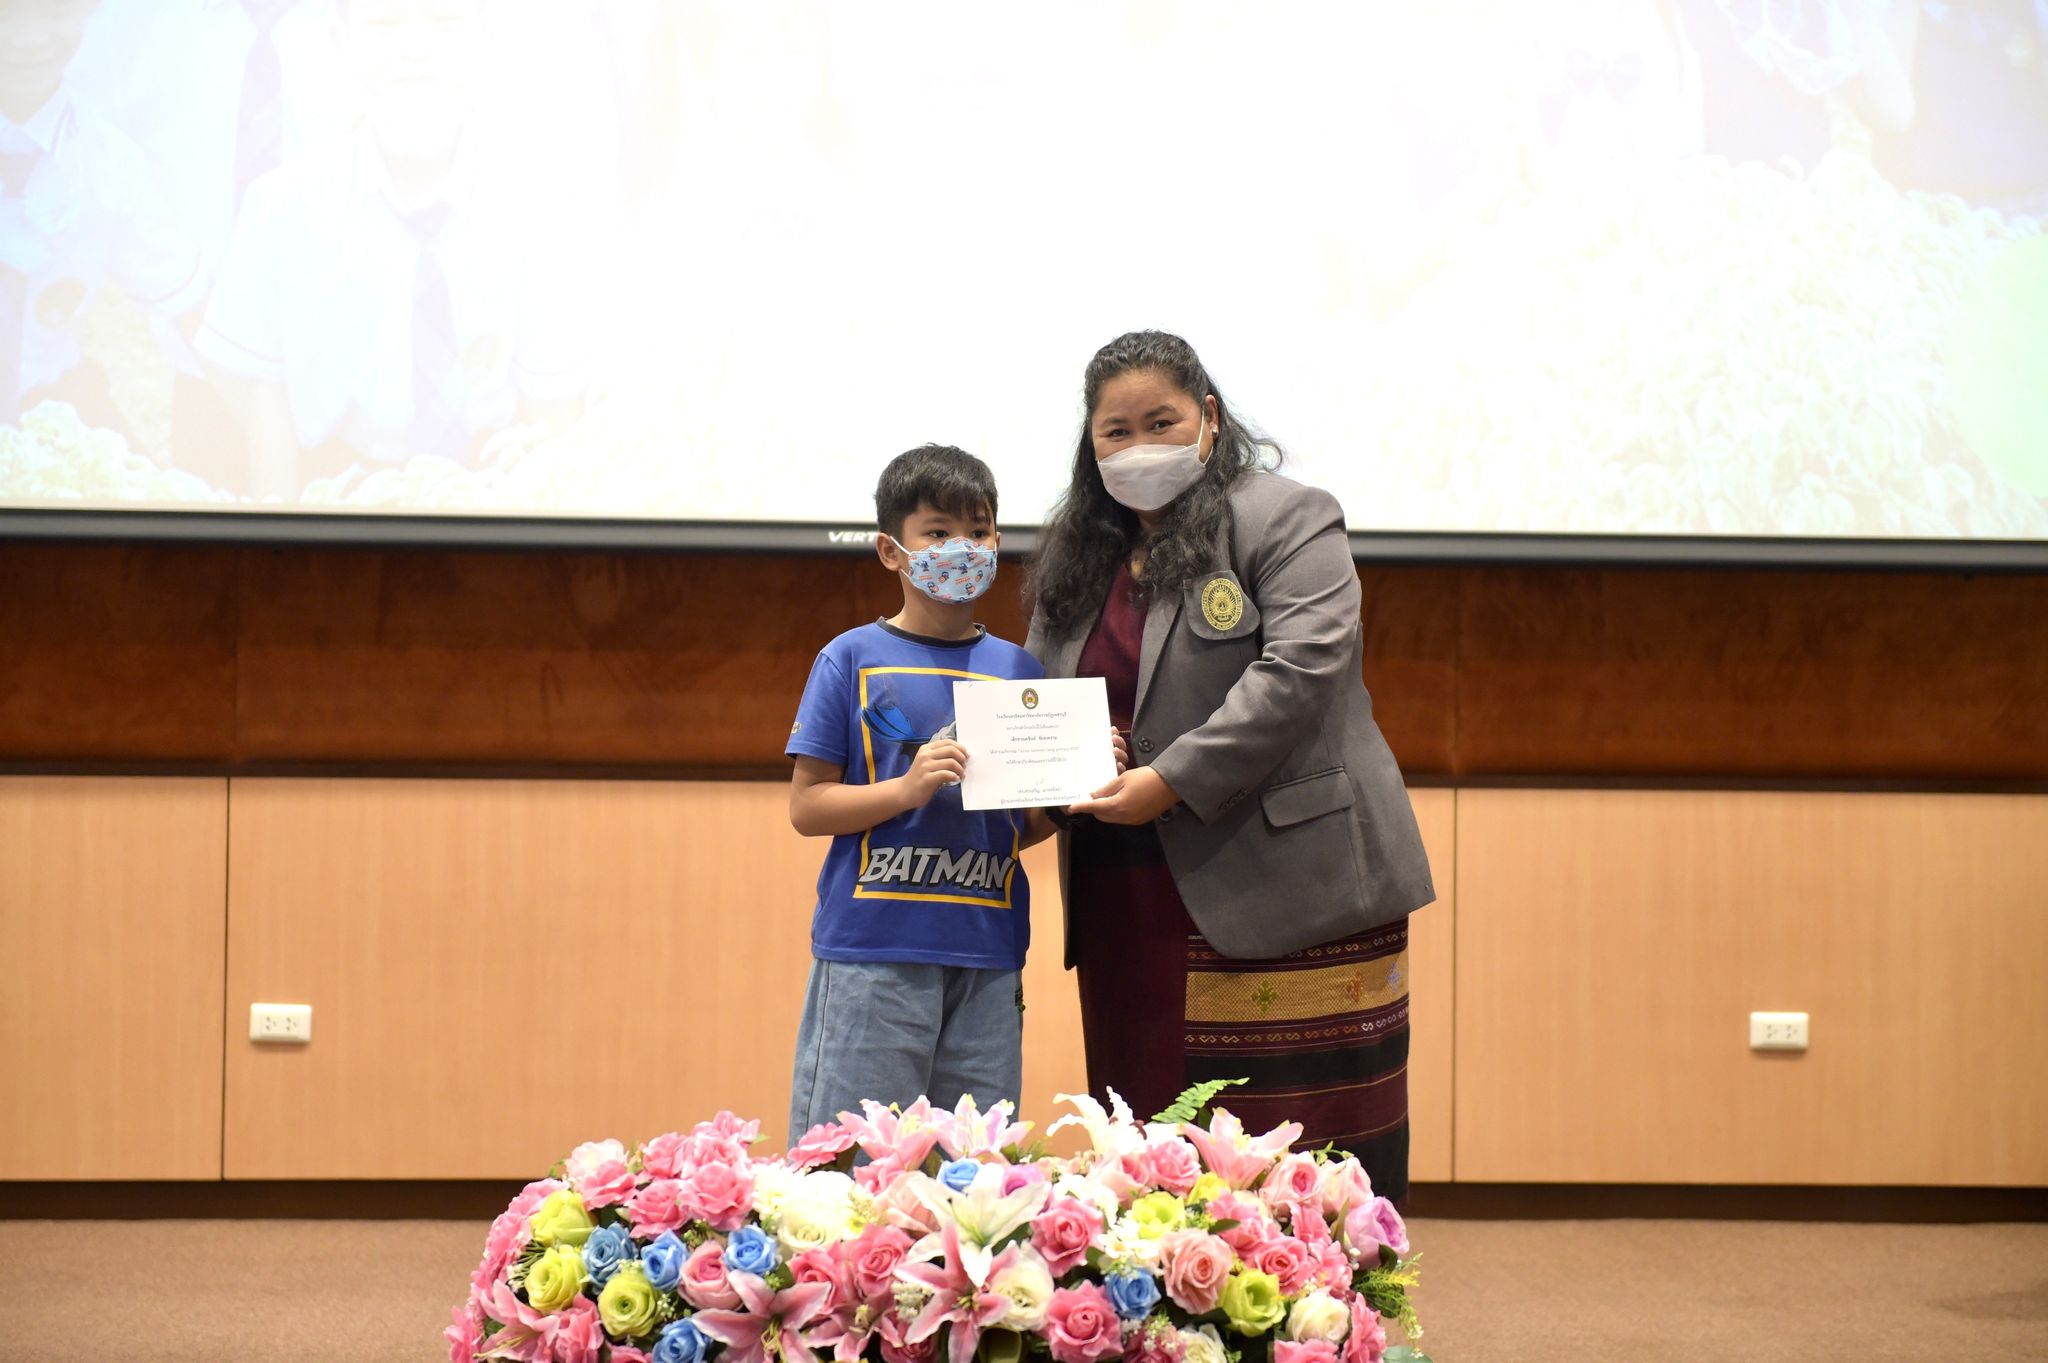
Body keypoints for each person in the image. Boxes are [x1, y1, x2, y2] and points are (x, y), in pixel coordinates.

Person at [1027, 331, 1436, 1201]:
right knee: (1149, 1156)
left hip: (1287, 882)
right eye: (1116, 432)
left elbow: (1300, 672)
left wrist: (1168, 779)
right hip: (1123, 891)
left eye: (1160, 422)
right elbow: (1040, 697)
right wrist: (1040, 773)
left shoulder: (1287, 516)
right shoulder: (1080, 552)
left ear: (1208, 418)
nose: (1139, 447)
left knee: (1304, 1171)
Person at [195, 0, 589, 499]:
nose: (415, 49)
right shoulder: (282, 208)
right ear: (339, 40)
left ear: (486, 36)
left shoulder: (539, 205)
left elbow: (552, 407)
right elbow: (259, 392)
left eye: (446, 21)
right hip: (338, 490)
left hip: (495, 489)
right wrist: (284, 513)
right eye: (384, 23)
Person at [782, 445, 1055, 1145]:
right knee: (850, 1169)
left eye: (978, 530)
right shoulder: (849, 657)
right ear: (891, 550)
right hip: (872, 954)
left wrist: (1073, 787)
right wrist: (904, 789)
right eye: (938, 532)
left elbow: (1020, 824)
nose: (962, 548)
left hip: (988, 955)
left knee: (975, 1174)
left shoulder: (1019, 671)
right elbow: (808, 807)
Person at [1, 0, 202, 432]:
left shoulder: (111, 162)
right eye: (4, 13)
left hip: (48, 410)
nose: (27, 38)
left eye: (52, 12)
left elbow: (183, 301)